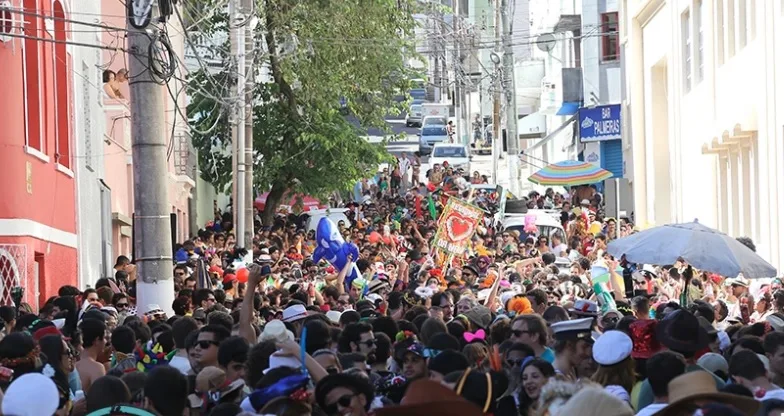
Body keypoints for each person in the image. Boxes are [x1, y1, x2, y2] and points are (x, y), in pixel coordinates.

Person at [76, 319, 107, 392]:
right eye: (104, 338)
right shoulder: (97, 368)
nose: (106, 341)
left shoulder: (71, 362)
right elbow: (99, 398)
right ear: (97, 340)